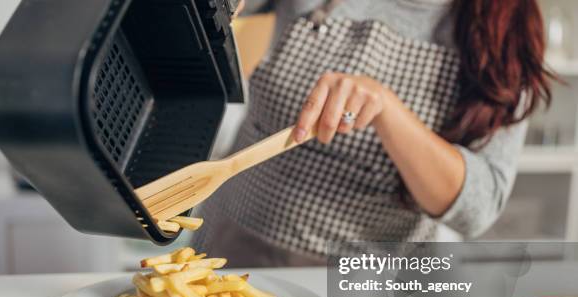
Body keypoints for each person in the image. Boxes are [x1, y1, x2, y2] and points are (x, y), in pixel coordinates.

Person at [193, 0, 555, 267]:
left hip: (364, 285)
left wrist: (387, 110)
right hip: (231, 247)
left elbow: (478, 208)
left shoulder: (507, 35)